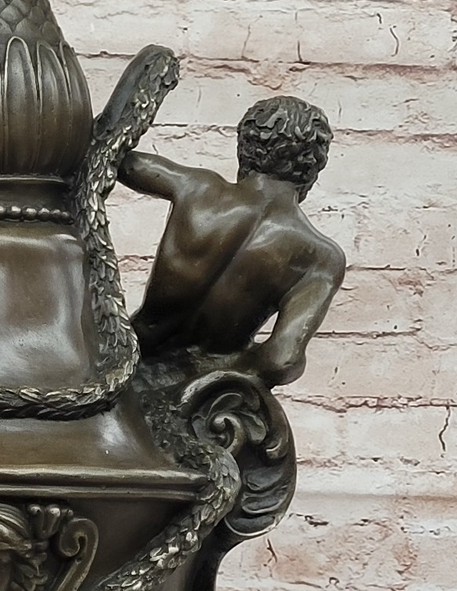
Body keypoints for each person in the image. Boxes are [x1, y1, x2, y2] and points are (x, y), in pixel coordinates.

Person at [122, 95, 344, 386]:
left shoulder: (196, 188)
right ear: (313, 167)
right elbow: (282, 361)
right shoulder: (321, 258)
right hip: (202, 393)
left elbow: (115, 159)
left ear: (245, 148)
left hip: (127, 362)